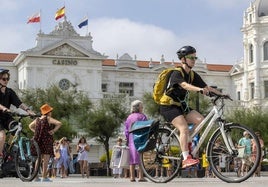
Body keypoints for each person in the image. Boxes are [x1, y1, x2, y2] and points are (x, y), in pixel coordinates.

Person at [158, 46, 225, 168]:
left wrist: (222, 94)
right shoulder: (176, 73)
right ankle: (186, 158)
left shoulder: (193, 75)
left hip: (181, 106)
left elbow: (207, 88)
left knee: (200, 120)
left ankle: (187, 140)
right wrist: (199, 90)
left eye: (195, 57)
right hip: (168, 106)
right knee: (183, 127)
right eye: (191, 58)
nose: (194, 60)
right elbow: (184, 85)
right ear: (183, 59)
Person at [0, 68, 35, 167]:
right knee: (2, 135)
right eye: (3, 79)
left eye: (7, 79)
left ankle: (8, 147)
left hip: (7, 117)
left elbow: (19, 103)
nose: (6, 81)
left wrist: (28, 111)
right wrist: (4, 108)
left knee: (16, 127)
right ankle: (0, 155)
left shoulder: (9, 92)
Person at [29, 103, 62, 182]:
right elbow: (59, 123)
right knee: (46, 159)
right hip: (46, 140)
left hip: (38, 139)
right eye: (50, 111)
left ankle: (36, 177)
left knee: (39, 159)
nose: (51, 112)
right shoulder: (48, 118)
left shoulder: (37, 119)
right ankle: (44, 177)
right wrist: (53, 131)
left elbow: (30, 126)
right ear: (48, 112)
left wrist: (36, 132)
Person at [124, 100, 147, 182]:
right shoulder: (142, 116)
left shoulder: (129, 117)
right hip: (140, 139)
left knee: (132, 159)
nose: (142, 108)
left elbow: (126, 129)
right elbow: (146, 128)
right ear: (138, 108)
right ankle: (141, 177)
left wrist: (127, 138)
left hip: (131, 139)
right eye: (141, 107)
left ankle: (132, 177)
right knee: (140, 159)